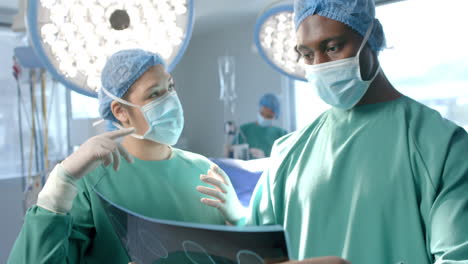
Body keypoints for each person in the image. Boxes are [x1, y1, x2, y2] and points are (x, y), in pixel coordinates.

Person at [198, 0, 468, 263]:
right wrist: (236, 220)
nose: (320, 64)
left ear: (371, 35)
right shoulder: (287, 154)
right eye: (307, 54)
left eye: (333, 47)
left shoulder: (442, 146)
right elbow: (256, 254)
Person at [8, 49, 225, 263]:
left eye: (170, 87)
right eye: (154, 94)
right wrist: (60, 182)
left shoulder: (204, 170)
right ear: (121, 111)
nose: (170, 100)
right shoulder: (91, 182)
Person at [233, 93, 288, 159]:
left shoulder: (282, 134)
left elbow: (285, 160)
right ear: (259, 110)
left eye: (269, 116)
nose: (264, 117)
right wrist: (229, 149)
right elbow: (232, 154)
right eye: (262, 114)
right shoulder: (244, 130)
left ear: (276, 115)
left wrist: (264, 159)